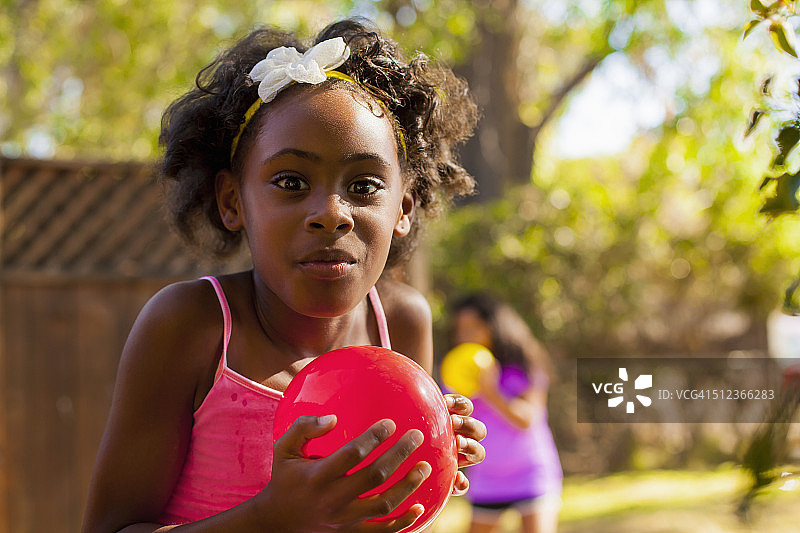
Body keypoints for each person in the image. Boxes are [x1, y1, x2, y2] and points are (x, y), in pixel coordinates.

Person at [82, 18, 486, 533]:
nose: (332, 213)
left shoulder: (403, 324)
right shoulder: (191, 326)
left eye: (364, 186)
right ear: (233, 201)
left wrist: (427, 461)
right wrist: (272, 518)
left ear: (403, 208)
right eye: (291, 181)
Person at [449, 294, 562, 533]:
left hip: (531, 474)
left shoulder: (523, 365)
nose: (464, 336)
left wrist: (491, 391)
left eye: (473, 327)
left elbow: (527, 419)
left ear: (493, 326)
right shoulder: (460, 372)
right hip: (487, 479)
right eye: (460, 329)